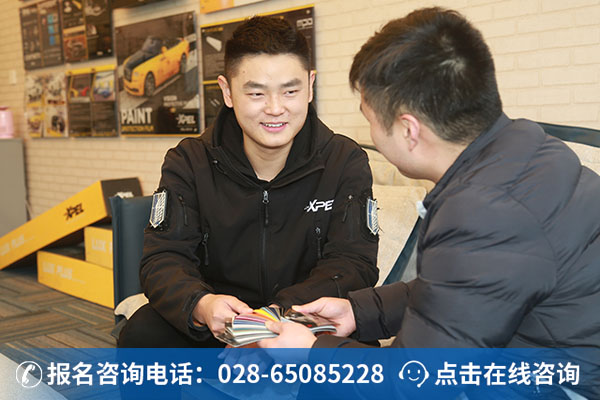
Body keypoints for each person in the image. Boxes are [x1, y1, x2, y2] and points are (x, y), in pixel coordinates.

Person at [258, 7, 600, 398]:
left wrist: (310, 353)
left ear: (408, 130)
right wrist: (359, 311)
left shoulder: (482, 212)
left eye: (370, 118)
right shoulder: (529, 149)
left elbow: (415, 383)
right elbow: (465, 292)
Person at [118, 16, 379, 347]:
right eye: (256, 93)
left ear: (310, 86)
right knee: (141, 333)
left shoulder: (344, 160)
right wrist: (202, 304)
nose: (275, 109)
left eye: (291, 91)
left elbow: (354, 263)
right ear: (227, 92)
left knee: (360, 352)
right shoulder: (189, 161)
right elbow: (163, 258)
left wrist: (273, 317)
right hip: (221, 322)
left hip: (305, 323)